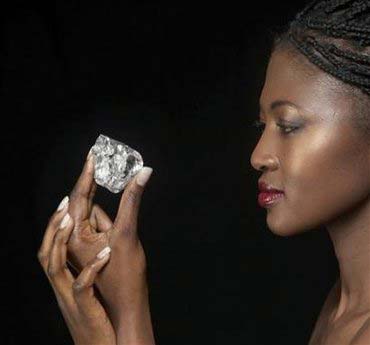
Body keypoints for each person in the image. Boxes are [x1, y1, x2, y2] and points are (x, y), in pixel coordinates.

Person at [38, 0, 370, 344]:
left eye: (288, 125)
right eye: (262, 125)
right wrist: (125, 299)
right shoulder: (341, 308)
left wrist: (122, 318)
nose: (258, 156)